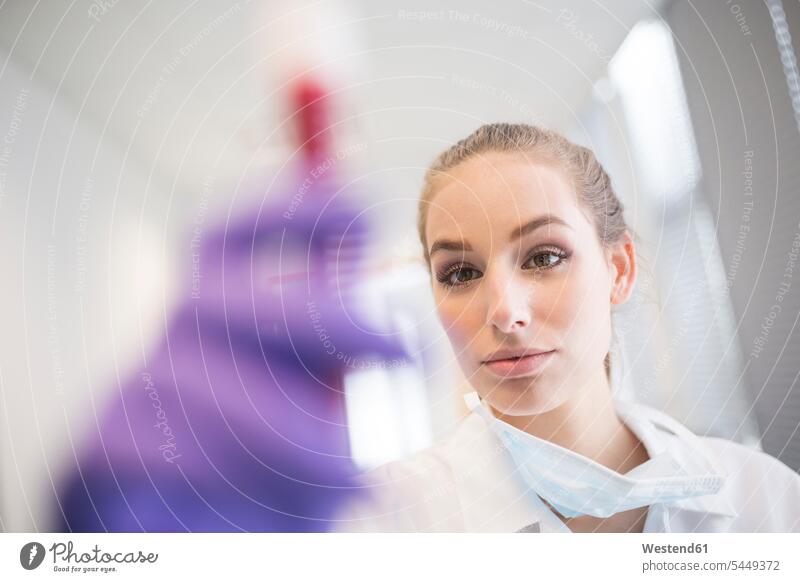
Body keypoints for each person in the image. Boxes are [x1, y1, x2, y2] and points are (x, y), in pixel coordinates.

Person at [334, 123, 800, 533]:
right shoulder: (379, 525)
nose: (504, 311)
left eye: (544, 257)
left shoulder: (767, 501)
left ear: (618, 270)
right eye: (459, 273)